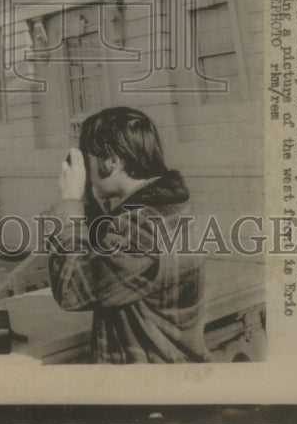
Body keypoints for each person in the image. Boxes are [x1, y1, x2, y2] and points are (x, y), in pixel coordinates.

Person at [47, 106, 210, 364]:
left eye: (87, 159)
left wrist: (69, 203)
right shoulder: (172, 207)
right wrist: (90, 199)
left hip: (145, 387)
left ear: (111, 161)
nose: (85, 170)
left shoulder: (140, 228)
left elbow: (72, 290)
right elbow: (107, 261)